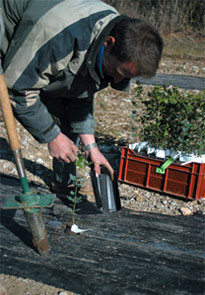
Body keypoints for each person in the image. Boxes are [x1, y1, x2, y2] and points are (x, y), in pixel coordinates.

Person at [0, 0, 163, 196]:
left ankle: (64, 183)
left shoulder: (116, 29)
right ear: (108, 44)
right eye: (118, 71)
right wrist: (51, 135)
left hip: (48, 37)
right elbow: (18, 89)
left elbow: (80, 90)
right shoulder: (58, 33)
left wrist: (91, 146)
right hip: (10, 24)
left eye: (127, 77)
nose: (118, 80)